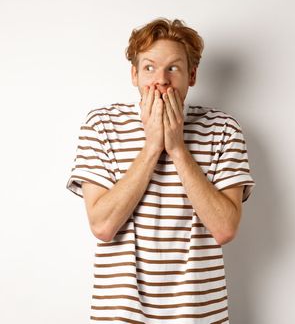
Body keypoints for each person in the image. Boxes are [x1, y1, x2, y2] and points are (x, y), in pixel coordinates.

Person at [66, 17, 255, 323]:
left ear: (192, 76)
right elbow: (102, 226)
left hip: (199, 315)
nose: (161, 80)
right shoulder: (101, 125)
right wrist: (153, 145)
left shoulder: (224, 129)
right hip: (119, 315)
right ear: (134, 74)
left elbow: (225, 228)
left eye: (174, 68)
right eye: (150, 67)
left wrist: (177, 148)